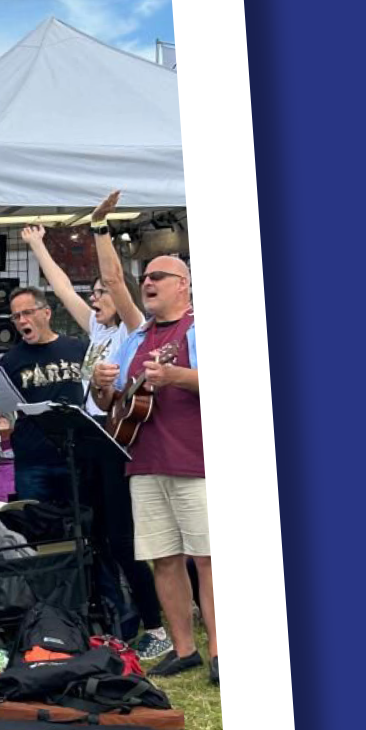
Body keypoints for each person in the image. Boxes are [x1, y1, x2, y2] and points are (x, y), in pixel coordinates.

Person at [23, 195, 171, 659]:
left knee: (124, 540)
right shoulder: (98, 331)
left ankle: (156, 625)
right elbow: (63, 288)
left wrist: (99, 228)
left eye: (101, 294)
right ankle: (118, 617)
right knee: (99, 537)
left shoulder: (132, 327)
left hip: (117, 440)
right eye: (94, 295)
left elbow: (116, 282)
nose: (94, 299)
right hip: (91, 436)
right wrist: (37, 245)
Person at [91, 256, 217, 683]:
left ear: (183, 284)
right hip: (143, 460)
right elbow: (114, 401)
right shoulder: (137, 337)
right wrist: (100, 386)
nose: (147, 282)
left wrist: (174, 375)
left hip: (196, 458)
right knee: (163, 558)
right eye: (144, 277)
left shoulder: (201, 327)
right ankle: (184, 649)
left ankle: (221, 652)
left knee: (208, 558)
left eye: (157, 276)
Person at [0, 285, 88, 503]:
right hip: (32, 459)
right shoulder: (10, 361)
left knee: (80, 517)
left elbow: (97, 394)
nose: (22, 321)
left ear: (47, 312)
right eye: (16, 316)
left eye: (27, 313)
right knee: (35, 519)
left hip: (75, 454)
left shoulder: (77, 348)